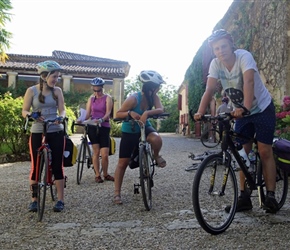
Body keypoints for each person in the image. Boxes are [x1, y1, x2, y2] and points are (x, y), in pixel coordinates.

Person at [194, 29, 278, 213]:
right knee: (242, 155)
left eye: (223, 46)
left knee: (264, 151)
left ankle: (270, 195)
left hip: (262, 108)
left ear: (231, 44)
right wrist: (200, 113)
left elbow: (248, 81)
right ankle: (244, 197)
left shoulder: (243, 57)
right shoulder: (215, 64)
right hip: (240, 113)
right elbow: (209, 90)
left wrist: (245, 108)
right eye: (216, 48)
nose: (221, 51)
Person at [113, 70, 166, 205]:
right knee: (123, 163)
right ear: (151, 87)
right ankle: (117, 193)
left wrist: (147, 113)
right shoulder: (134, 98)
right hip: (130, 129)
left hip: (145, 126)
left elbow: (161, 109)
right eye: (158, 86)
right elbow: (118, 113)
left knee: (156, 138)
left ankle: (156, 155)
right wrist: (130, 113)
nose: (159, 89)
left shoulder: (154, 97)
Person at [22, 60, 66, 212]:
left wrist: (61, 117)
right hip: (37, 130)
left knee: (57, 165)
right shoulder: (32, 91)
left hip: (56, 130)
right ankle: (34, 200)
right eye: (54, 76)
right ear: (44, 76)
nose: (56, 80)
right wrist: (31, 114)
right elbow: (24, 111)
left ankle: (60, 200)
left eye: (58, 77)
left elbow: (62, 110)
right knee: (36, 166)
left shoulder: (57, 91)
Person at [77, 77, 114, 183]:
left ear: (102, 88)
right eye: (95, 90)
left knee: (105, 154)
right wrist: (81, 119)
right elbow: (88, 113)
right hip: (93, 126)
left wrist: (102, 119)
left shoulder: (108, 98)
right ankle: (98, 175)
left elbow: (108, 113)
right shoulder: (91, 99)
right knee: (96, 152)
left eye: (99, 90)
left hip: (104, 126)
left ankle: (106, 174)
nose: (97, 92)